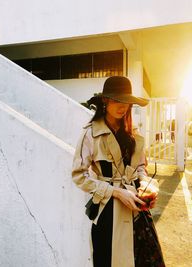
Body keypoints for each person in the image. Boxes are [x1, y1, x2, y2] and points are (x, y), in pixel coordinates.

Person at [72, 76, 165, 267]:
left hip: (136, 211)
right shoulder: (91, 133)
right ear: (105, 100)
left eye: (127, 102)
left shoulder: (133, 133)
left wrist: (145, 187)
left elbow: (140, 168)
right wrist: (115, 191)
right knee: (109, 260)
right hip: (107, 211)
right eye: (117, 100)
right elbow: (79, 175)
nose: (123, 106)